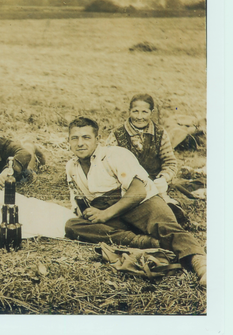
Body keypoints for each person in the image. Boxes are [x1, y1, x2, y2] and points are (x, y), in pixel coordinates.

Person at [63, 117, 206, 286]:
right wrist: (88, 213)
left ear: (98, 139)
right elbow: (79, 200)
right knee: (73, 226)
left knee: (168, 229)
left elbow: (138, 191)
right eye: (75, 138)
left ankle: (201, 265)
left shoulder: (114, 154)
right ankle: (146, 242)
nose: (80, 143)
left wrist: (104, 215)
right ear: (69, 141)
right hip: (110, 213)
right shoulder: (71, 167)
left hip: (139, 203)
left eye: (86, 137)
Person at [104, 94, 186, 223]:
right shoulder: (117, 134)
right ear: (129, 111)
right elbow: (106, 163)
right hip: (126, 187)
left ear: (151, 113)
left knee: (162, 207)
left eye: (144, 112)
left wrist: (164, 178)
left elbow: (170, 162)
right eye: (135, 111)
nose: (139, 116)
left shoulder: (160, 133)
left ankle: (169, 209)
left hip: (154, 185)